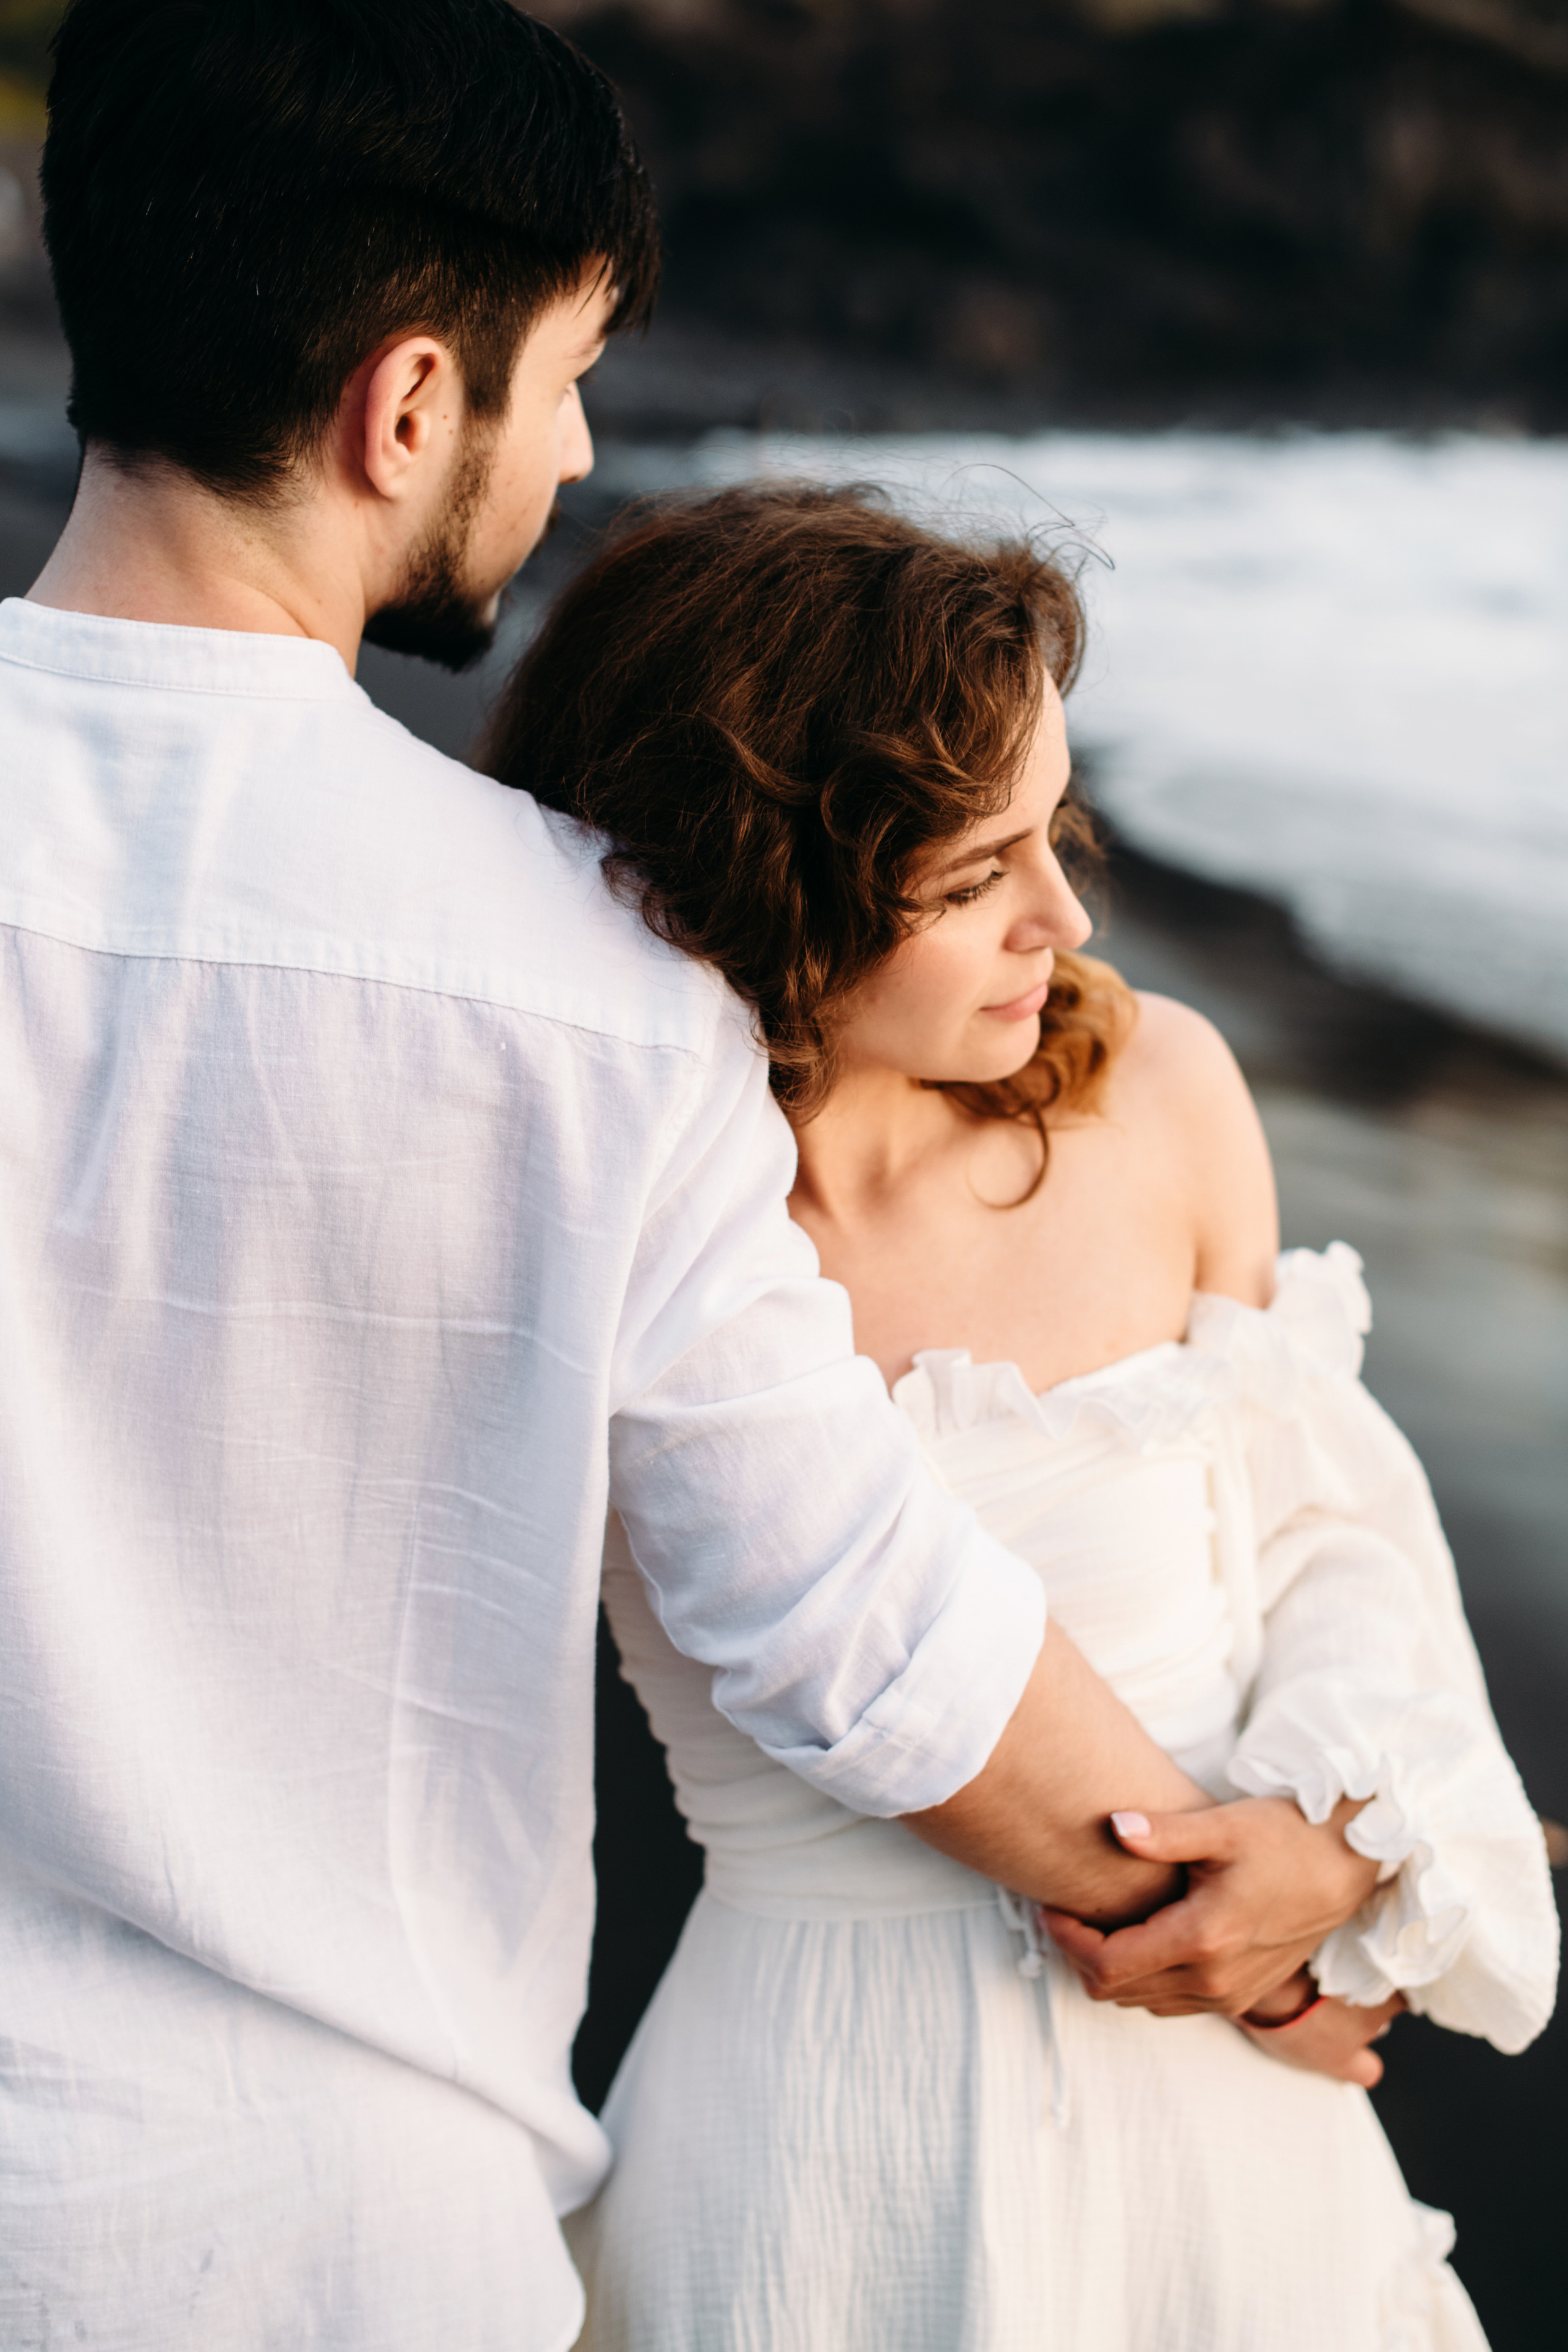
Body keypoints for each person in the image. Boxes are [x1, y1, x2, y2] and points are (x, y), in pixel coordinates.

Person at [0, 7, 1389, 2345]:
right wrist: (1240, 1927)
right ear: (408, 406)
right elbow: (852, 1615)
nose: (568, 458)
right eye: (563, 388)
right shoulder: (579, 977)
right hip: (347, 2249)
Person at [484, 483, 1560, 2351]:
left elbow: (1324, 1536)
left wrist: (1341, 1833)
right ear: (767, 867)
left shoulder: (1162, 1096)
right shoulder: (625, 1220)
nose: (1061, 913)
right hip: (810, 2145)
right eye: (976, 874)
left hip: (1230, 2159)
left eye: (1056, 832)